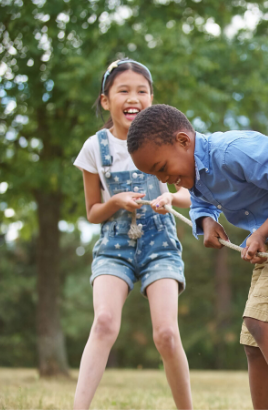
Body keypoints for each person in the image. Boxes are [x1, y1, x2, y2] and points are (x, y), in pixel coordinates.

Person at [127, 104, 268, 410]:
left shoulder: (234, 151)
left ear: (183, 141)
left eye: (162, 168)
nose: (166, 179)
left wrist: (261, 233)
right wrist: (206, 222)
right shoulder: (196, 173)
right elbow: (201, 200)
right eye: (156, 175)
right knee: (254, 342)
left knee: (261, 323)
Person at [73, 59, 192, 410]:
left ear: (152, 99)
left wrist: (170, 196)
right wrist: (116, 202)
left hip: (161, 245)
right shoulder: (95, 148)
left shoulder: (170, 140)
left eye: (141, 91)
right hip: (114, 246)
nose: (133, 97)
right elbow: (93, 211)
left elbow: (190, 194)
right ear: (106, 100)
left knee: (167, 334)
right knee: (105, 322)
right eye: (123, 90)